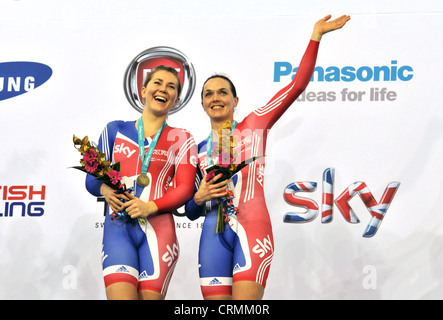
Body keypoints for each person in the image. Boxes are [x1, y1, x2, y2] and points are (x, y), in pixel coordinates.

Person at [185, 15, 351, 300]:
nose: (216, 98)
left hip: (252, 230)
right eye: (209, 94)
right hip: (211, 239)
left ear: (235, 101)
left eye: (223, 92)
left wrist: (316, 36)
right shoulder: (196, 149)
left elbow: (297, 85)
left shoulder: (255, 125)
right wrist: (199, 198)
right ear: (202, 104)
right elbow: (190, 210)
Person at [86, 65, 197, 300]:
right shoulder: (114, 129)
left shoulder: (183, 138)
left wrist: (150, 207)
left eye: (171, 87)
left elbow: (186, 189)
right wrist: (105, 189)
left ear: (176, 100)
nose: (163, 89)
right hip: (118, 230)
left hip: (159, 232)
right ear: (143, 90)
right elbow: (91, 179)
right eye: (157, 83)